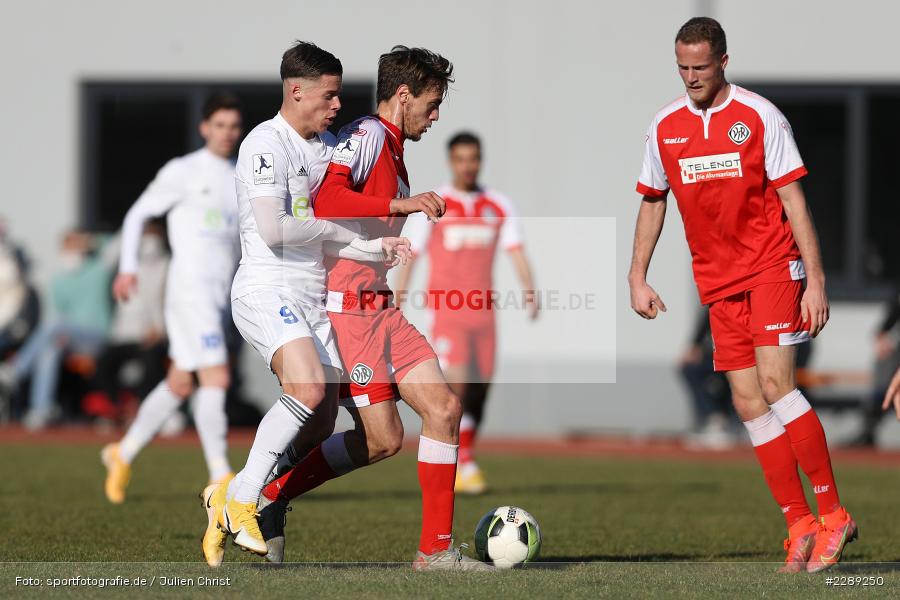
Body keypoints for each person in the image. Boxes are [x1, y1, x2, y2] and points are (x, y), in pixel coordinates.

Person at [628, 17, 855, 573]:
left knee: (778, 386)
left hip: (775, 266)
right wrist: (637, 276)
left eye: (700, 67)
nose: (690, 77)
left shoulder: (759, 116)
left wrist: (817, 280)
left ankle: (835, 513)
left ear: (723, 62)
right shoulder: (663, 126)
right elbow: (653, 200)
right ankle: (799, 523)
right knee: (748, 402)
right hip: (719, 282)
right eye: (681, 67)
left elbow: (794, 201)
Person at [256, 46, 491, 571]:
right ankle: (272, 493)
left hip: (383, 309)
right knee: (384, 439)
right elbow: (329, 201)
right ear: (403, 96)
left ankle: (435, 552)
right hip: (351, 313)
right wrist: (400, 204)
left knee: (445, 410)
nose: (436, 117)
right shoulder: (365, 137)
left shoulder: (393, 150)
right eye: (431, 105)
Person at [199, 41, 411, 567]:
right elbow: (275, 229)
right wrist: (352, 236)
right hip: (266, 288)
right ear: (297, 91)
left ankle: (234, 494)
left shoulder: (327, 145)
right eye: (330, 96)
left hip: (315, 296)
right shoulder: (264, 144)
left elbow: (327, 228)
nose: (337, 107)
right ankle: (244, 500)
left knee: (318, 423)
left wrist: (373, 246)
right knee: (308, 387)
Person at [101, 93, 244, 504]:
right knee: (216, 377)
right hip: (189, 291)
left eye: (234, 126)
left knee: (181, 382)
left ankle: (121, 453)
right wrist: (128, 267)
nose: (226, 133)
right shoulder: (183, 171)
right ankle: (220, 476)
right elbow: (137, 214)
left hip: (220, 295)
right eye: (219, 125)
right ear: (204, 127)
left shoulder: (240, 178)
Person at [394, 131, 539, 493]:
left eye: (473, 158)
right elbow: (413, 254)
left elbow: (516, 250)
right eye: (460, 159)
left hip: (483, 313)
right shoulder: (438, 205)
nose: (467, 166)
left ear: (480, 160)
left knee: (480, 388)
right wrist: (398, 294)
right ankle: (462, 463)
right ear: (451, 161)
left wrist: (530, 290)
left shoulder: (498, 204)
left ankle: (466, 456)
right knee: (457, 385)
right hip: (447, 311)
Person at [0, 230, 111, 430]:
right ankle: (40, 411)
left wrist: (90, 240)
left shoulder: (98, 270)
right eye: (67, 248)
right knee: (49, 350)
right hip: (67, 337)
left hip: (96, 336)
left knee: (55, 324)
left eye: (75, 247)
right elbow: (56, 314)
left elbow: (114, 245)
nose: (71, 253)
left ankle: (16, 370)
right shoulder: (59, 279)